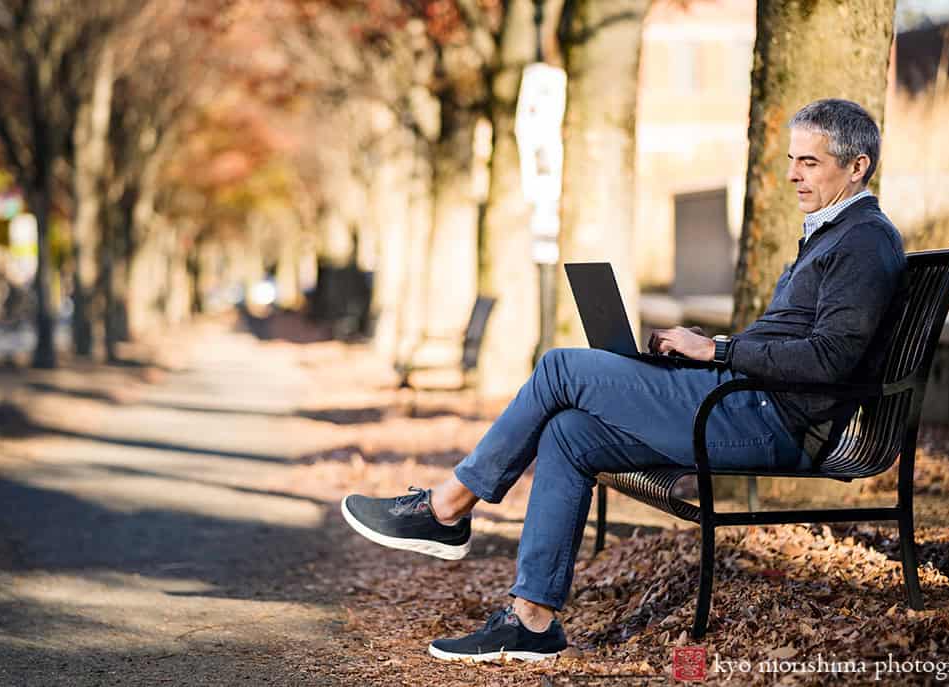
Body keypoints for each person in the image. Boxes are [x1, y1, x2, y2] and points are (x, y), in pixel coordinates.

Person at [341, 99, 907, 663]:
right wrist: (700, 352)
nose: (791, 174)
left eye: (808, 162)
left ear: (856, 166)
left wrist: (716, 349)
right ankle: (531, 621)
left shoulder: (863, 240)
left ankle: (447, 509)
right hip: (743, 400)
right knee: (568, 431)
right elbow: (793, 343)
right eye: (792, 159)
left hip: (772, 421)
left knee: (561, 366)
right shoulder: (833, 232)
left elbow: (831, 359)